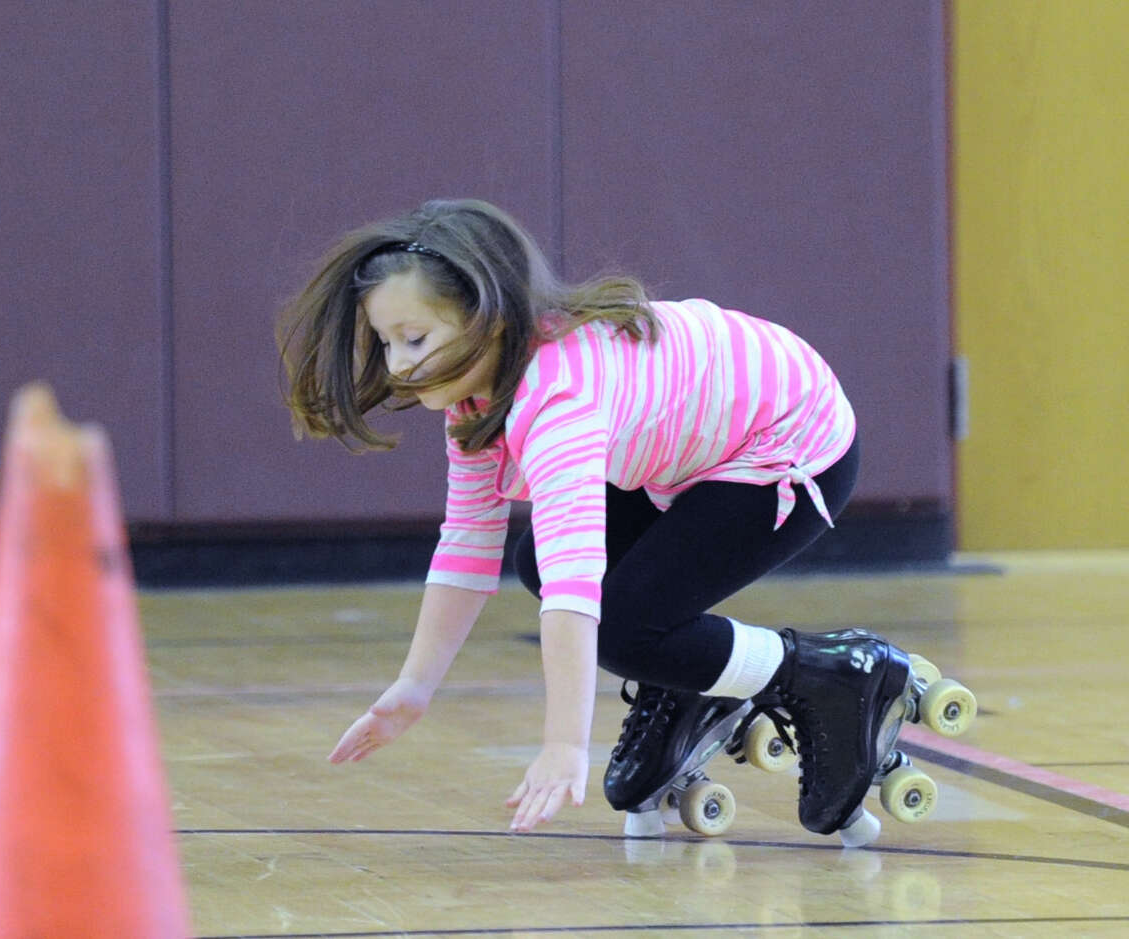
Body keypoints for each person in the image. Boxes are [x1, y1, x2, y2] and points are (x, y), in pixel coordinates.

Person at [277, 197, 916, 837]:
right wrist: (414, 687)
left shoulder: (560, 402)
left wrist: (564, 746)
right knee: (541, 562)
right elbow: (467, 547)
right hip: (694, 451)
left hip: (791, 444)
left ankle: (832, 675)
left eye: (415, 338)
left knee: (623, 627)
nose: (397, 365)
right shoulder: (476, 401)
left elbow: (574, 593)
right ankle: (690, 678)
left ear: (490, 320)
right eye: (386, 342)